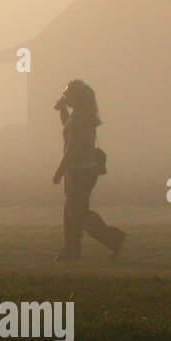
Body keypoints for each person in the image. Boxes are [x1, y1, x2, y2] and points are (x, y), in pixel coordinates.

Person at [52, 80, 125, 261]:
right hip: (82, 170)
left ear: (76, 97)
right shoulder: (81, 115)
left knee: (77, 213)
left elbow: (72, 147)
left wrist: (60, 171)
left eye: (67, 94)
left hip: (79, 171)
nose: (64, 96)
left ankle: (111, 237)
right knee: (72, 211)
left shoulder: (79, 119)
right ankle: (72, 249)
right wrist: (63, 111)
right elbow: (68, 129)